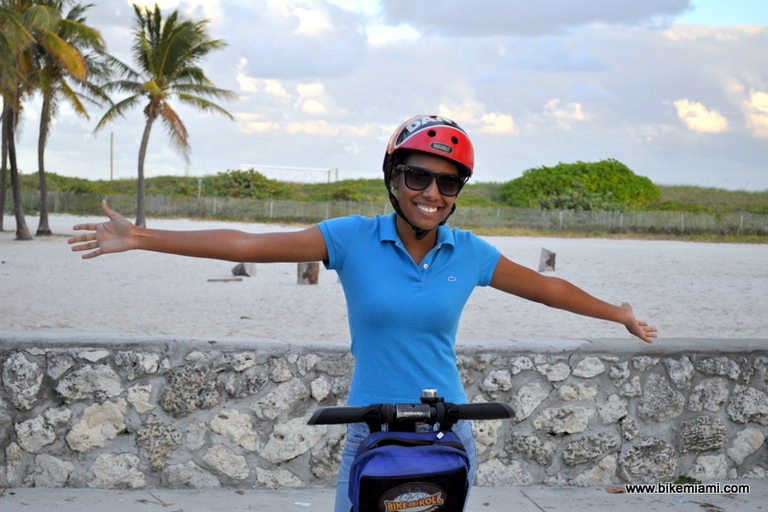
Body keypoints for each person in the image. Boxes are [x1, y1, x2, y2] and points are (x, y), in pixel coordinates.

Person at [69, 114, 657, 511]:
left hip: (449, 429)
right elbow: (246, 245)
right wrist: (145, 237)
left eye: (448, 183)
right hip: (370, 431)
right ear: (393, 179)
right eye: (418, 176)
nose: (432, 193)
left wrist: (618, 313)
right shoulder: (351, 238)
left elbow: (545, 289)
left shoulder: (470, 252)